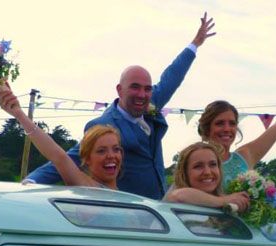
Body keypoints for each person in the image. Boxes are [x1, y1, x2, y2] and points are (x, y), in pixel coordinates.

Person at [22, 13, 216, 200]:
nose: (142, 94)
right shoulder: (105, 124)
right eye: (135, 87)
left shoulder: (149, 101)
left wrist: (195, 43)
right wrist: (30, 182)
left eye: (147, 89)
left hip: (160, 207)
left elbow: (171, 77)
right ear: (119, 90)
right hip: (129, 210)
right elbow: (69, 158)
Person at [0, 82, 122, 189]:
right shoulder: (89, 188)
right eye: (101, 151)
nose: (111, 156)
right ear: (87, 159)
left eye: (116, 149)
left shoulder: (131, 199)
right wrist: (19, 113)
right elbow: (58, 156)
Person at [164, 141, 250, 212]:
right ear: (185, 173)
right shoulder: (177, 201)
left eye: (213, 164)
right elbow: (178, 196)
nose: (207, 172)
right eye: (198, 166)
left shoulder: (230, 204)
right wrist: (223, 201)